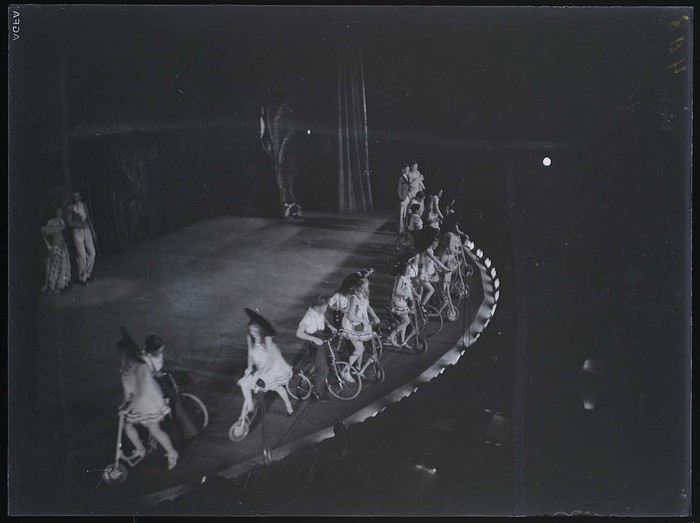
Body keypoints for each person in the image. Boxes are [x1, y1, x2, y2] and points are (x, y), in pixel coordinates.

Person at [117, 332, 179, 470]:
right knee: (128, 426)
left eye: (124, 354)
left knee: (154, 429)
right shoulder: (125, 367)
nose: (122, 357)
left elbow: (141, 392)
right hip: (137, 403)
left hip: (149, 402)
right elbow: (128, 388)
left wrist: (127, 408)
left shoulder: (141, 367)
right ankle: (140, 449)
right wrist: (124, 403)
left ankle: (172, 453)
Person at [236, 309, 294, 424]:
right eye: (250, 330)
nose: (251, 332)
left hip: (271, 367)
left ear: (259, 329)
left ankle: (288, 405)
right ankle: (250, 406)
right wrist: (249, 368)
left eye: (254, 330)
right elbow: (250, 354)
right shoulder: (250, 338)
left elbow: (270, 358)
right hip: (259, 366)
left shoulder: (267, 339)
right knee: (244, 383)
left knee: (277, 388)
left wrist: (262, 373)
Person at [141, 334, 200, 443]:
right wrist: (155, 374)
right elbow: (145, 374)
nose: (160, 353)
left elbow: (161, 361)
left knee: (189, 377)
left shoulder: (155, 354)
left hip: (161, 377)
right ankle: (186, 432)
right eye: (158, 351)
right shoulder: (145, 359)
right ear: (151, 350)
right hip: (154, 383)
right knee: (174, 402)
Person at [296, 296, 337, 402]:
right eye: (326, 306)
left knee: (332, 357)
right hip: (314, 342)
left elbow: (322, 318)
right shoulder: (309, 317)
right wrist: (314, 339)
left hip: (320, 337)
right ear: (320, 306)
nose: (327, 308)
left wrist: (329, 326)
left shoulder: (319, 311)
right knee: (324, 370)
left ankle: (321, 376)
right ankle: (318, 393)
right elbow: (299, 333)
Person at [340, 278, 380, 379]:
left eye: (366, 288)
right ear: (357, 288)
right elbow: (351, 316)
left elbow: (367, 307)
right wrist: (363, 321)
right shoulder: (354, 298)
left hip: (358, 323)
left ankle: (357, 368)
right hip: (350, 325)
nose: (365, 290)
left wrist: (375, 317)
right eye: (363, 288)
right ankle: (345, 371)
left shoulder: (363, 295)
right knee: (359, 349)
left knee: (361, 348)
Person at [66, 191, 97, 286]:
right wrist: (79, 225)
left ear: (80, 197)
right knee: (82, 255)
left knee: (92, 253)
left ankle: (88, 274)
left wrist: (93, 231)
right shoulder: (70, 208)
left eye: (78, 196)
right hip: (77, 232)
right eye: (74, 197)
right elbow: (69, 222)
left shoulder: (84, 205)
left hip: (87, 229)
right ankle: (82, 278)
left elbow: (88, 219)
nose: (76, 198)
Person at [40, 208, 71, 294]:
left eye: (61, 211)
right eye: (58, 211)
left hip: (62, 246)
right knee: (55, 266)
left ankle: (60, 285)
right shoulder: (50, 222)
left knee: (63, 266)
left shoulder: (61, 221)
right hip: (55, 246)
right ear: (54, 212)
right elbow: (43, 234)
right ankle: (52, 286)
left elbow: (62, 233)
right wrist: (48, 245)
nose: (60, 213)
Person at [388, 260, 418, 348]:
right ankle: (392, 335)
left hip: (403, 301)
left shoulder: (407, 277)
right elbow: (397, 291)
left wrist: (416, 295)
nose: (409, 271)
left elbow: (410, 288)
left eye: (409, 269)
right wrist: (407, 295)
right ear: (403, 270)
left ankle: (402, 340)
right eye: (407, 269)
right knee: (407, 321)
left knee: (404, 321)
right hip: (398, 301)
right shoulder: (401, 278)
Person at [418, 233, 450, 308]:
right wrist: (445, 269)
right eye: (436, 243)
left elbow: (432, 261)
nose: (437, 245)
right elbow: (436, 261)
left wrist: (438, 269)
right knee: (432, 289)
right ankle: (423, 306)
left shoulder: (430, 250)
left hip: (425, 274)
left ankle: (430, 305)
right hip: (422, 275)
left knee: (433, 287)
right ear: (432, 243)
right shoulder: (428, 250)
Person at [397, 164, 411, 234]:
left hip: (407, 198)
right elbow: (398, 189)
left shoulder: (407, 177)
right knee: (401, 214)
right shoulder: (400, 178)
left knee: (405, 214)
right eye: (407, 169)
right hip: (403, 198)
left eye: (408, 169)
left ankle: (405, 229)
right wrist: (400, 199)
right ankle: (400, 230)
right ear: (403, 170)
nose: (408, 171)